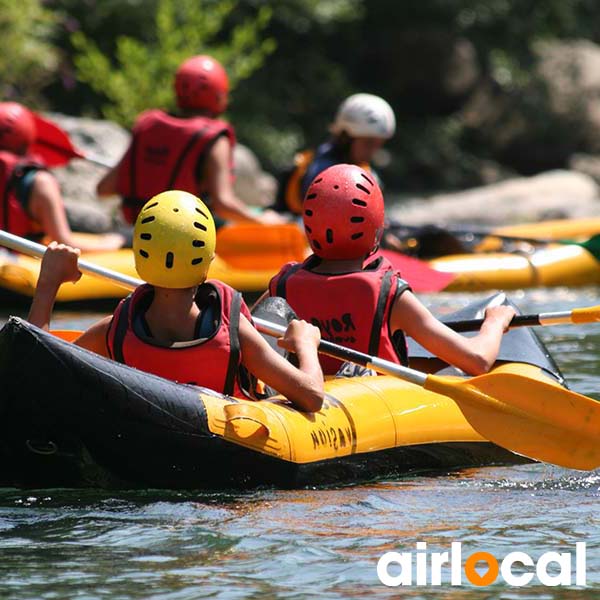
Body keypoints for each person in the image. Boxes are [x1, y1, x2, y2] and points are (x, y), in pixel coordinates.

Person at [27, 190, 324, 412]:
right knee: (276, 310)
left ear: (141, 258)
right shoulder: (233, 332)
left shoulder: (115, 331)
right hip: (227, 446)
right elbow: (311, 397)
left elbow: (39, 374)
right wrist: (306, 345)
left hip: (147, 445)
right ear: (207, 262)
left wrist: (48, 284)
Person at [261, 163, 515, 376]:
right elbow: (478, 360)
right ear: (376, 225)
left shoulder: (281, 286)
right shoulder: (390, 294)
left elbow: (246, 338)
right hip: (374, 407)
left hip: (302, 405)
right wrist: (495, 321)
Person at [97, 55, 284, 227]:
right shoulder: (215, 140)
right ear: (219, 96)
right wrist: (261, 219)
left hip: (137, 230)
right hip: (184, 236)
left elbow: (104, 188)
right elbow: (223, 204)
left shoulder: (148, 125)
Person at [0, 102, 125, 252]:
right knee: (123, 236)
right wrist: (112, 243)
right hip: (17, 265)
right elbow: (64, 243)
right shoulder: (41, 183)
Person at [274, 93, 396, 215]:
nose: (373, 151)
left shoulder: (366, 171)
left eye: (378, 144)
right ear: (346, 138)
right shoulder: (323, 171)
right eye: (368, 143)